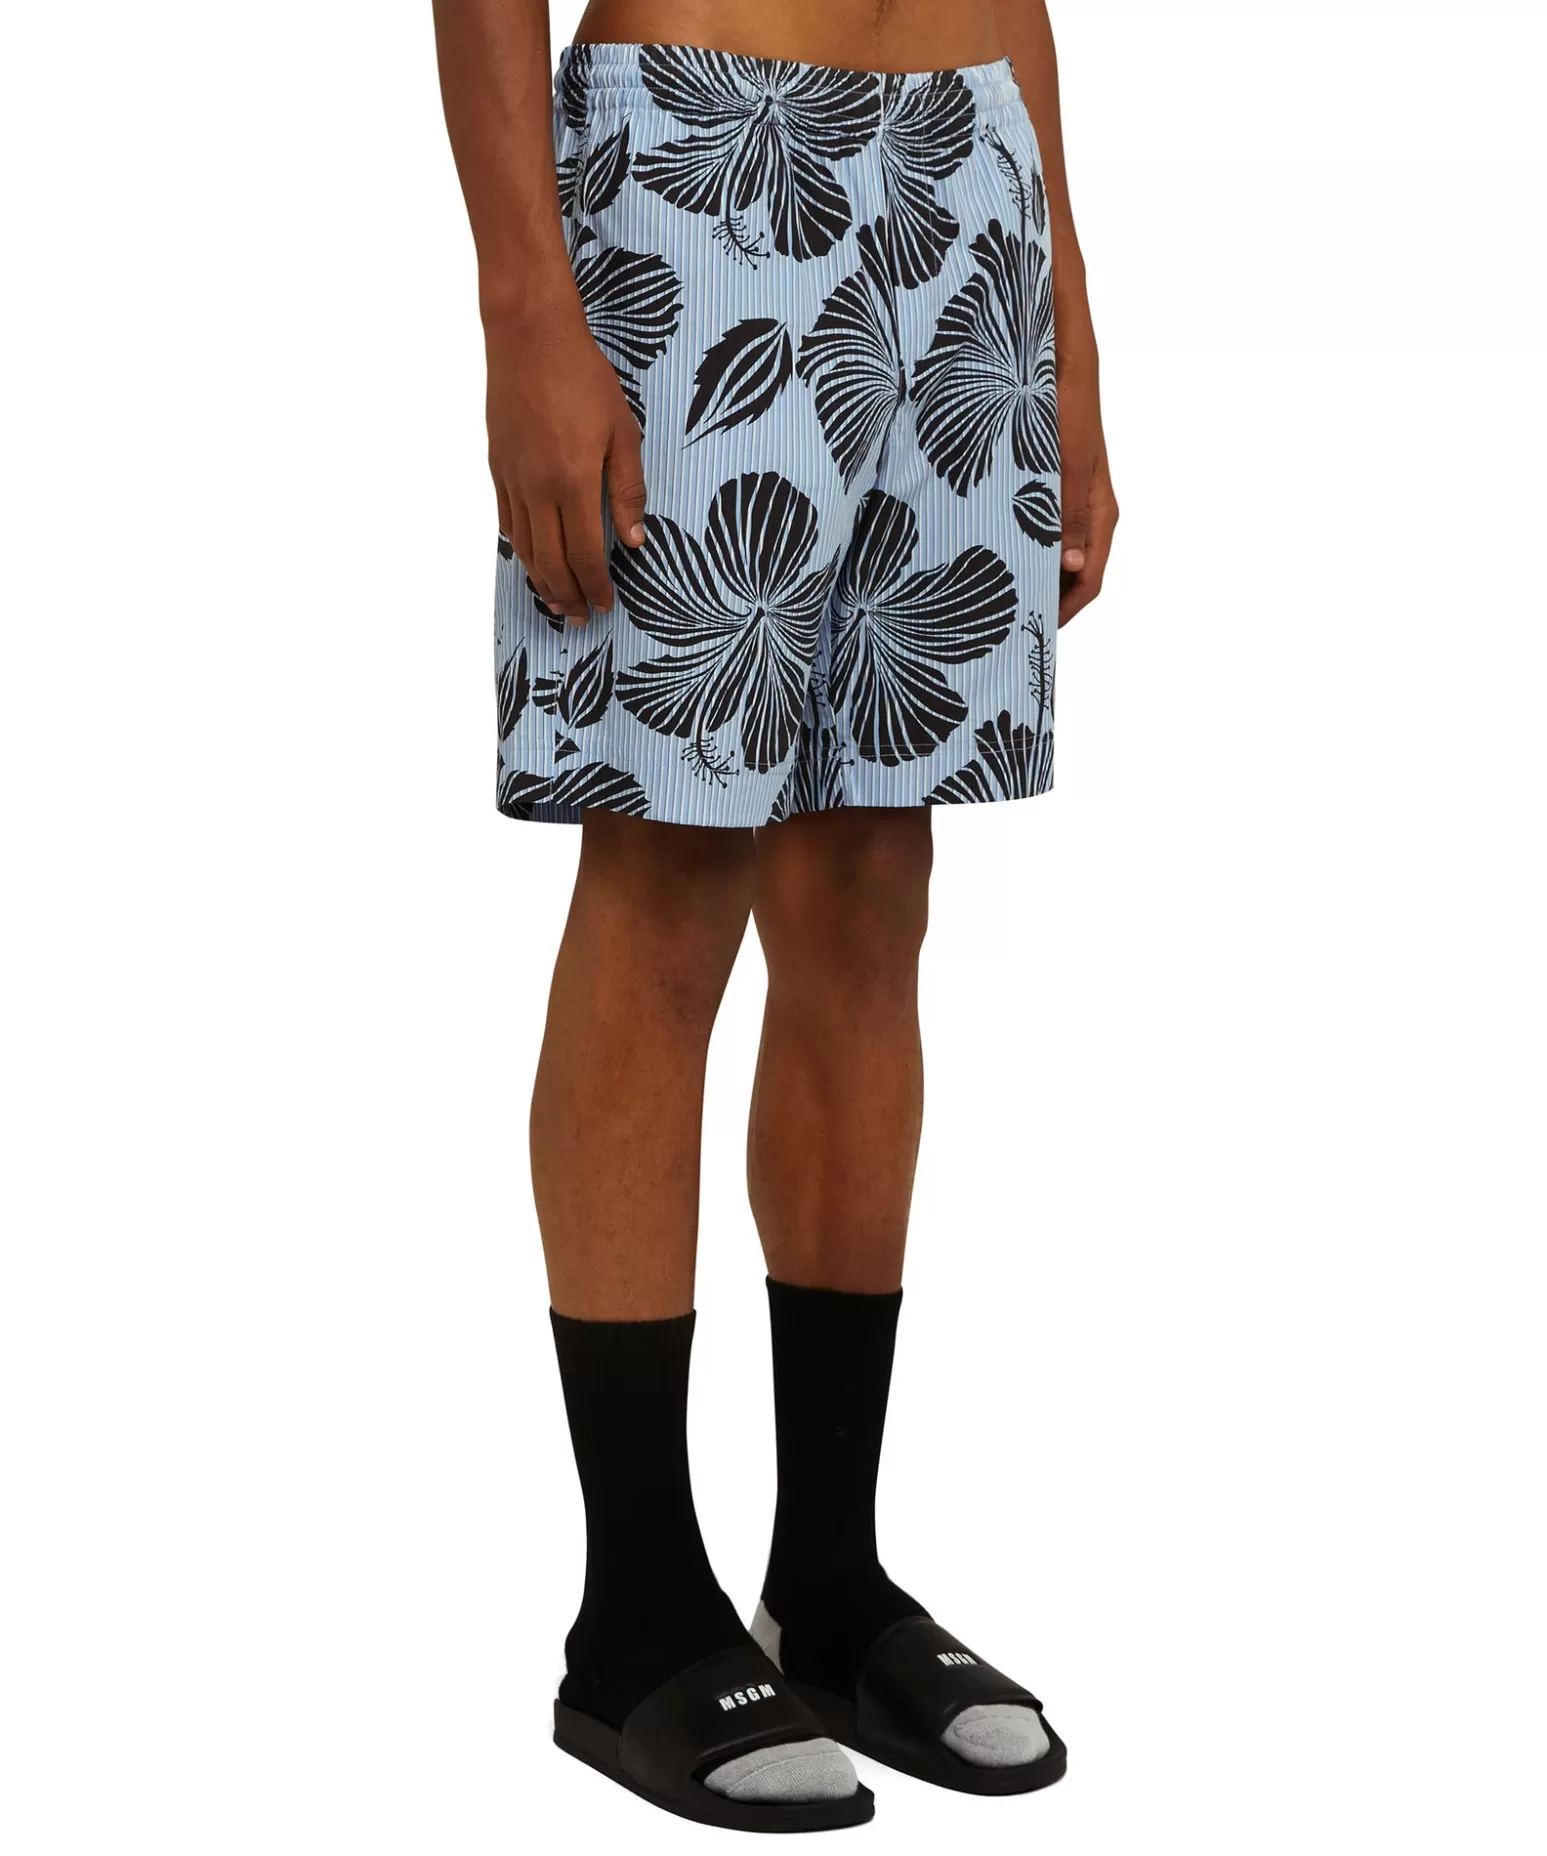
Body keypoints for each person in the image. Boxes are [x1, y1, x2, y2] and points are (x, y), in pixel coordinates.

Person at [432, 0, 1116, 1830]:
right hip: (696, 150)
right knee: (669, 858)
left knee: (876, 880)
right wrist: (525, 304)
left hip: (961, 174)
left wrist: (1067, 331)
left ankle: (825, 1579)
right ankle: (635, 1615)